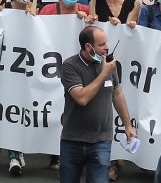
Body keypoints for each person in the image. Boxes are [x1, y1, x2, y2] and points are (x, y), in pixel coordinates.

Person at [58, 25, 136, 183]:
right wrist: (104, 73)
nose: (106, 48)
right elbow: (81, 98)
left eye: (106, 43)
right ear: (88, 46)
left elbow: (117, 93)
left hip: (101, 141)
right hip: (73, 140)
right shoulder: (70, 65)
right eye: (101, 45)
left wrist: (128, 125)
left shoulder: (108, 63)